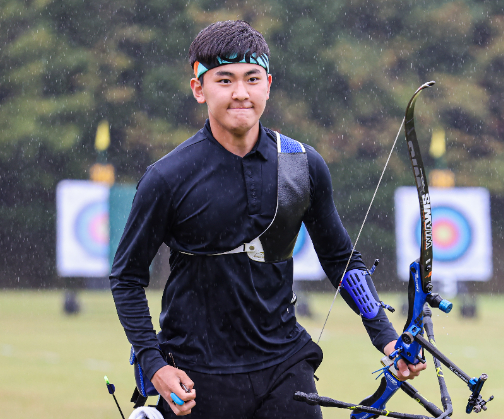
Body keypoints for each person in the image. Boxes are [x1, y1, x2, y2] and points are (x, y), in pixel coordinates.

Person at [110, 20, 425, 419]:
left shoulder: (302, 164)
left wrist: (388, 339)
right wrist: (155, 365)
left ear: (268, 84)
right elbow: (126, 276)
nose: (240, 93)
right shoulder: (167, 177)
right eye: (224, 80)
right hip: (196, 374)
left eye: (251, 79)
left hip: (285, 367)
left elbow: (339, 259)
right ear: (198, 89)